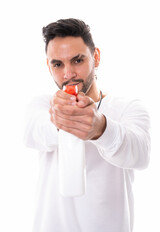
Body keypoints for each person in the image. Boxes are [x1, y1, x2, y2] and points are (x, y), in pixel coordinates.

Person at [24, 18, 151, 232]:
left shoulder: (128, 108)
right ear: (48, 66)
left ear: (96, 57)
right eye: (58, 64)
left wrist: (101, 128)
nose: (68, 74)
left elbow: (140, 155)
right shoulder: (42, 105)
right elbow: (32, 134)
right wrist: (59, 119)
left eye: (77, 60)